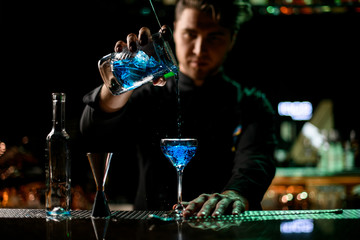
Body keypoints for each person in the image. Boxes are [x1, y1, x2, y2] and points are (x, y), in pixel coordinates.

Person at [80, 0, 277, 218]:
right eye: (190, 34)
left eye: (214, 37)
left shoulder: (251, 103)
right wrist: (121, 82)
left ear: (232, 39)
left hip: (224, 226)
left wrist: (236, 193)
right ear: (173, 31)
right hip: (152, 230)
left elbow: (257, 159)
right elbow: (92, 132)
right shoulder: (148, 96)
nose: (199, 49)